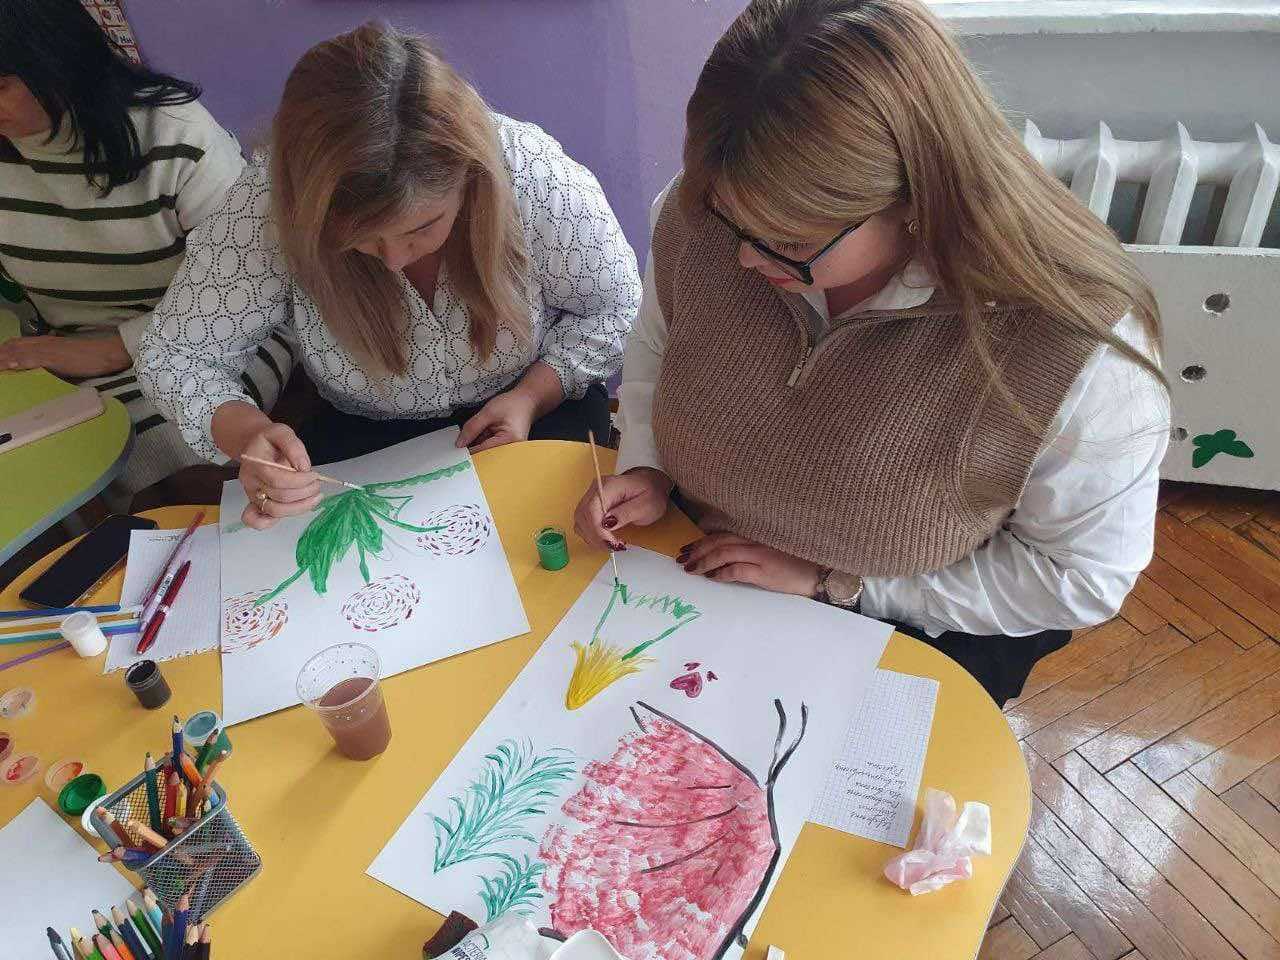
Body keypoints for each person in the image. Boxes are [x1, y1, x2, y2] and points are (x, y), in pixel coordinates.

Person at [574, 0, 1170, 707]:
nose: (741, 258)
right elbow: (659, 343)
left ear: (916, 200)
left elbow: (1081, 578)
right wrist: (647, 463)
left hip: (912, 626)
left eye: (789, 242)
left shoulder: (1080, 349)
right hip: (690, 566)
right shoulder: (710, 215)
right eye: (730, 221)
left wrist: (841, 584)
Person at [138, 22, 640, 531]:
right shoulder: (267, 205)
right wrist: (246, 433)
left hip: (537, 411)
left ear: (468, 179)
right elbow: (174, 355)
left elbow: (618, 308)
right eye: (362, 238)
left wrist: (531, 396)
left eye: (422, 227)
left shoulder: (529, 176)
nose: (395, 260)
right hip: (368, 440)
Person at [0, 0, 290, 500]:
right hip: (64, 351)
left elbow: (255, 284)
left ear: (54, 58)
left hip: (214, 337)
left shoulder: (175, 134)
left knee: (159, 455)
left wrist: (113, 348)